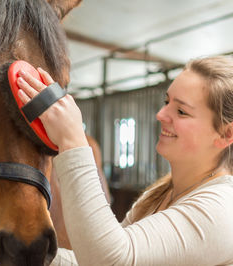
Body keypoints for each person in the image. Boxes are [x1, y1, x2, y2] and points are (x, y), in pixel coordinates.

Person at [16, 56, 233, 265]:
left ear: (225, 134)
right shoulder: (158, 195)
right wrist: (28, 254)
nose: (160, 114)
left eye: (181, 111)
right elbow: (90, 256)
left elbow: (111, 260)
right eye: (166, 102)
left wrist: (72, 139)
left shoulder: (223, 208)